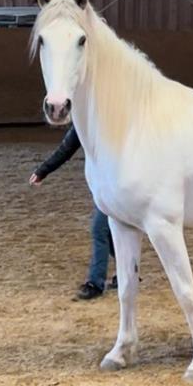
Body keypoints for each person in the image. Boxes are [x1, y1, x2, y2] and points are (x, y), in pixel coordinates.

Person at [29, 125, 115, 300]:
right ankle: (128, 272)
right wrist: (43, 170)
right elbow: (66, 148)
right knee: (110, 232)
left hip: (115, 185)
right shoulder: (83, 123)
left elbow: (66, 148)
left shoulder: (106, 120)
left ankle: (95, 283)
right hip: (105, 185)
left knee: (99, 229)